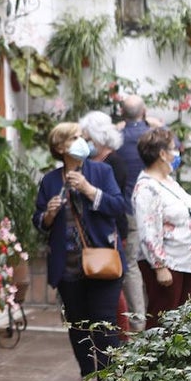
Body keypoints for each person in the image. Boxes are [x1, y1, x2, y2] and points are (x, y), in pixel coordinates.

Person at [33, 122, 128, 381]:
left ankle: (109, 378)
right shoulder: (50, 180)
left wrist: (89, 190)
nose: (81, 142)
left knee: (104, 321)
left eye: (82, 137)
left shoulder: (101, 171)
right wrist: (48, 215)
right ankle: (89, 375)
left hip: (102, 259)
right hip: (68, 264)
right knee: (78, 324)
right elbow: (39, 220)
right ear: (61, 147)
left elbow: (119, 206)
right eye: (74, 138)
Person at [132, 127, 191, 329]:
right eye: (174, 148)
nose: (177, 153)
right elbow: (148, 230)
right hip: (167, 264)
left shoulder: (168, 181)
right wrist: (160, 266)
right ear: (162, 154)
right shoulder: (147, 187)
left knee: (179, 320)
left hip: (185, 261)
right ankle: (154, 361)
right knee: (162, 321)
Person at [79, 110, 130, 338]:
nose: (84, 142)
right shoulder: (88, 162)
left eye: (87, 136)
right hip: (91, 235)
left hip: (113, 232)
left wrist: (90, 192)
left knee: (111, 278)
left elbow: (115, 202)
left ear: (97, 136)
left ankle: (121, 333)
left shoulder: (114, 163)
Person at [115, 95, 151, 337]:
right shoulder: (153, 135)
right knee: (144, 264)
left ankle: (137, 322)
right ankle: (140, 320)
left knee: (129, 265)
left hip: (129, 210)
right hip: (153, 208)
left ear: (121, 112)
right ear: (144, 111)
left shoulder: (117, 138)